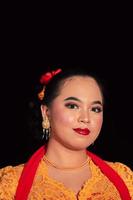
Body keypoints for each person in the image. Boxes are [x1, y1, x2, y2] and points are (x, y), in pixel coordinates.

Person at [0, 67, 133, 200]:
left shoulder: (124, 178)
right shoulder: (10, 184)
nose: (85, 118)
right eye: (72, 106)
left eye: (95, 109)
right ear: (46, 112)